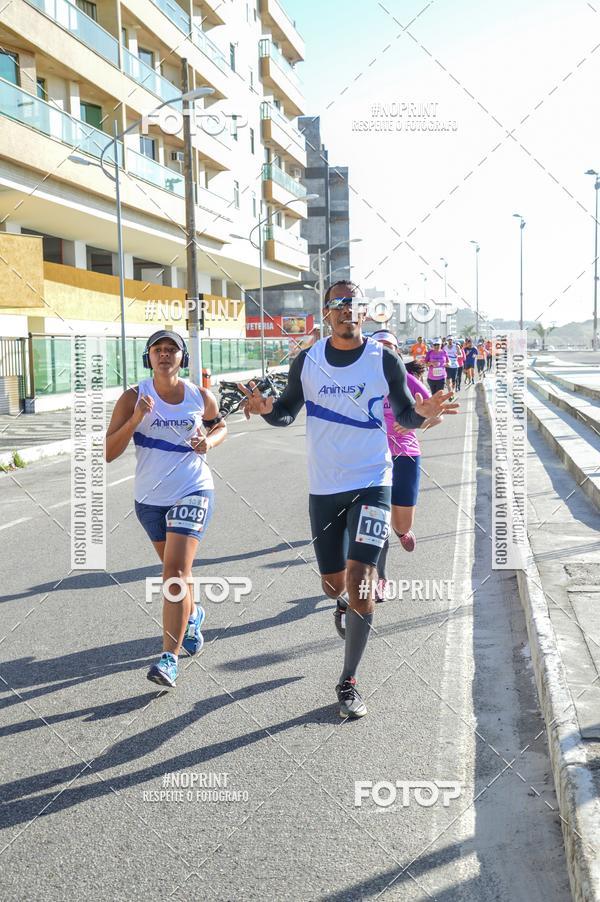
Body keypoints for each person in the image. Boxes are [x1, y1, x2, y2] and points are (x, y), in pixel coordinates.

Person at [239, 281, 459, 719]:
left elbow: (405, 412)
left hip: (373, 480)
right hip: (324, 487)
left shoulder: (384, 359)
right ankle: (343, 603)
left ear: (363, 314)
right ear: (326, 314)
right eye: (336, 303)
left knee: (362, 577)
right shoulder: (310, 359)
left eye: (352, 304)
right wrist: (267, 412)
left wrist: (424, 413)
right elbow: (286, 411)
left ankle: (348, 681)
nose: (345, 310)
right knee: (333, 584)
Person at [105, 330, 227, 688]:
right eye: (157, 350)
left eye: (171, 349)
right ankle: (193, 614)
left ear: (182, 357)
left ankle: (168, 659)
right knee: (179, 571)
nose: (164, 355)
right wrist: (136, 418)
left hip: (193, 489)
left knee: (173, 572)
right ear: (148, 357)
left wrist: (209, 441)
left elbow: (220, 425)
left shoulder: (198, 395)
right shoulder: (133, 397)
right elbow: (109, 452)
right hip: (149, 499)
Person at [370, 330, 441, 599]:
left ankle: (402, 532)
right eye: (380, 347)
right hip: (371, 459)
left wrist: (414, 422)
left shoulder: (408, 381)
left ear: (398, 353)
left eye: (390, 347)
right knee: (378, 521)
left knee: (400, 523)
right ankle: (381, 578)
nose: (385, 351)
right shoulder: (362, 381)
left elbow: (437, 415)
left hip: (405, 456)